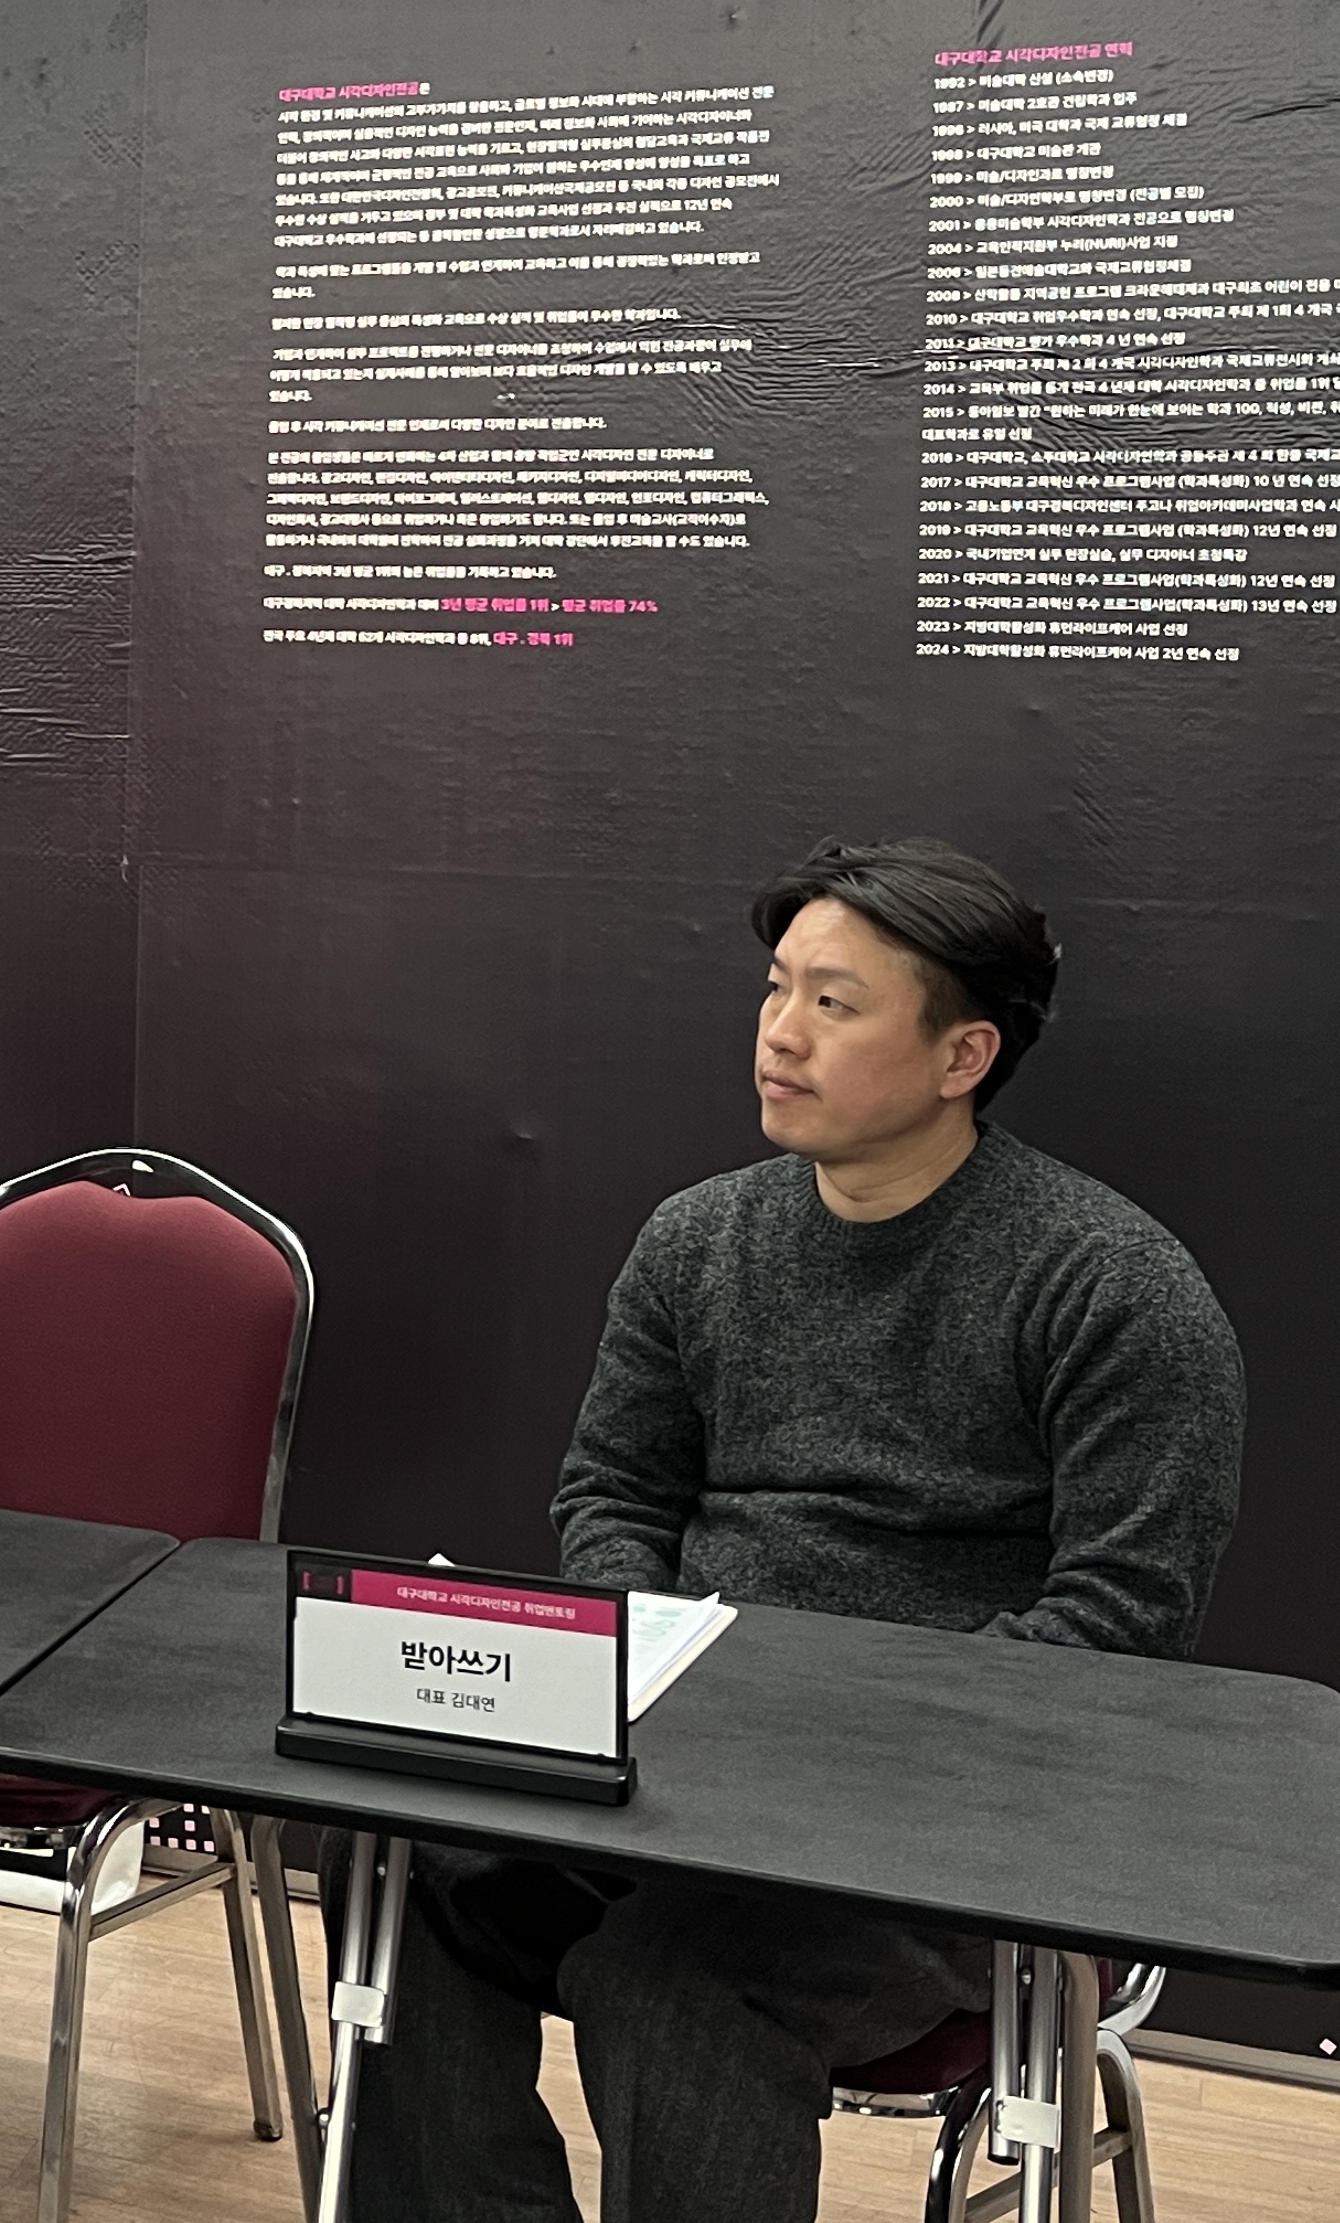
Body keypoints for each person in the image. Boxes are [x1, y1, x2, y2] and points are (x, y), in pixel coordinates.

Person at [347, 837, 1247, 2223]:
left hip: (949, 1833)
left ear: (962, 1056)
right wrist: (637, 1653)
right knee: (407, 1867)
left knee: (673, 1979)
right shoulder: (697, 1241)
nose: (779, 1032)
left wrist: (825, 1736)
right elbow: (614, 1492)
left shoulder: (1114, 1288)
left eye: (834, 1003)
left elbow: (1121, 1623)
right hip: (679, 1771)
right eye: (777, 988)